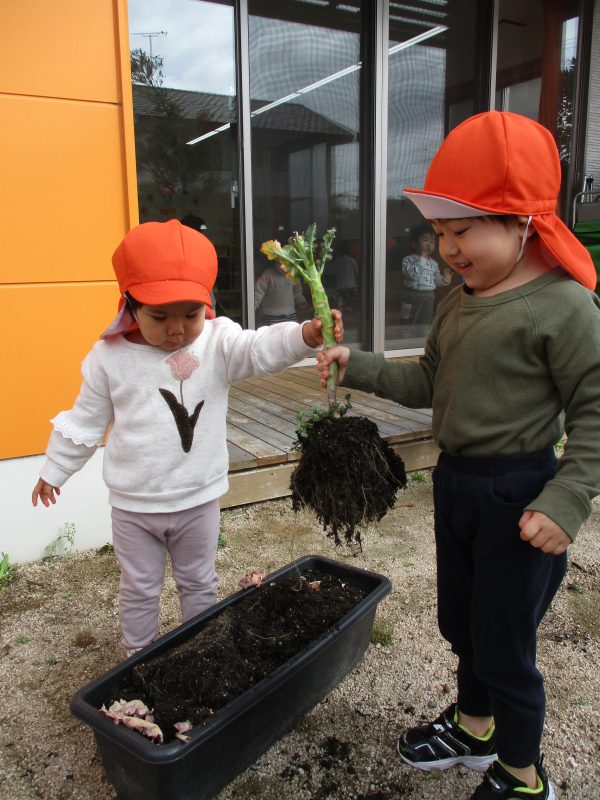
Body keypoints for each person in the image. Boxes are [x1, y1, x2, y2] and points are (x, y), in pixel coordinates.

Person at [316, 111, 600, 800]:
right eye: (439, 233)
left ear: (522, 221)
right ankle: (475, 732)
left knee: (505, 645)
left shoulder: (566, 307)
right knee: (463, 622)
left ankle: (523, 776)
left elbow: (595, 407)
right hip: (460, 485)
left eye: (462, 230)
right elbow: (426, 383)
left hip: (522, 495)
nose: (448, 248)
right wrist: (360, 366)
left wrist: (567, 499)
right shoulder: (457, 303)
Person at [32, 219, 342, 657]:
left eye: (191, 314)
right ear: (130, 306)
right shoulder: (109, 357)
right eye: (160, 317)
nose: (177, 330)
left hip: (198, 499)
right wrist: (55, 469)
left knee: (199, 580)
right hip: (135, 505)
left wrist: (303, 335)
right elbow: (85, 419)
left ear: (207, 305)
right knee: (139, 588)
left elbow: (257, 348)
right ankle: (138, 656)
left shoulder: (216, 342)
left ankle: (203, 650)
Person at [401, 223, 451, 323]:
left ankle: (422, 335)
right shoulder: (408, 260)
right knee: (407, 318)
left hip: (429, 296)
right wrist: (422, 259)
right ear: (414, 243)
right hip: (411, 294)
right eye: (425, 241)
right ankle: (404, 336)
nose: (429, 244)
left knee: (425, 319)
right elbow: (412, 275)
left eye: (432, 242)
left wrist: (445, 280)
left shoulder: (433, 264)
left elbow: (436, 281)